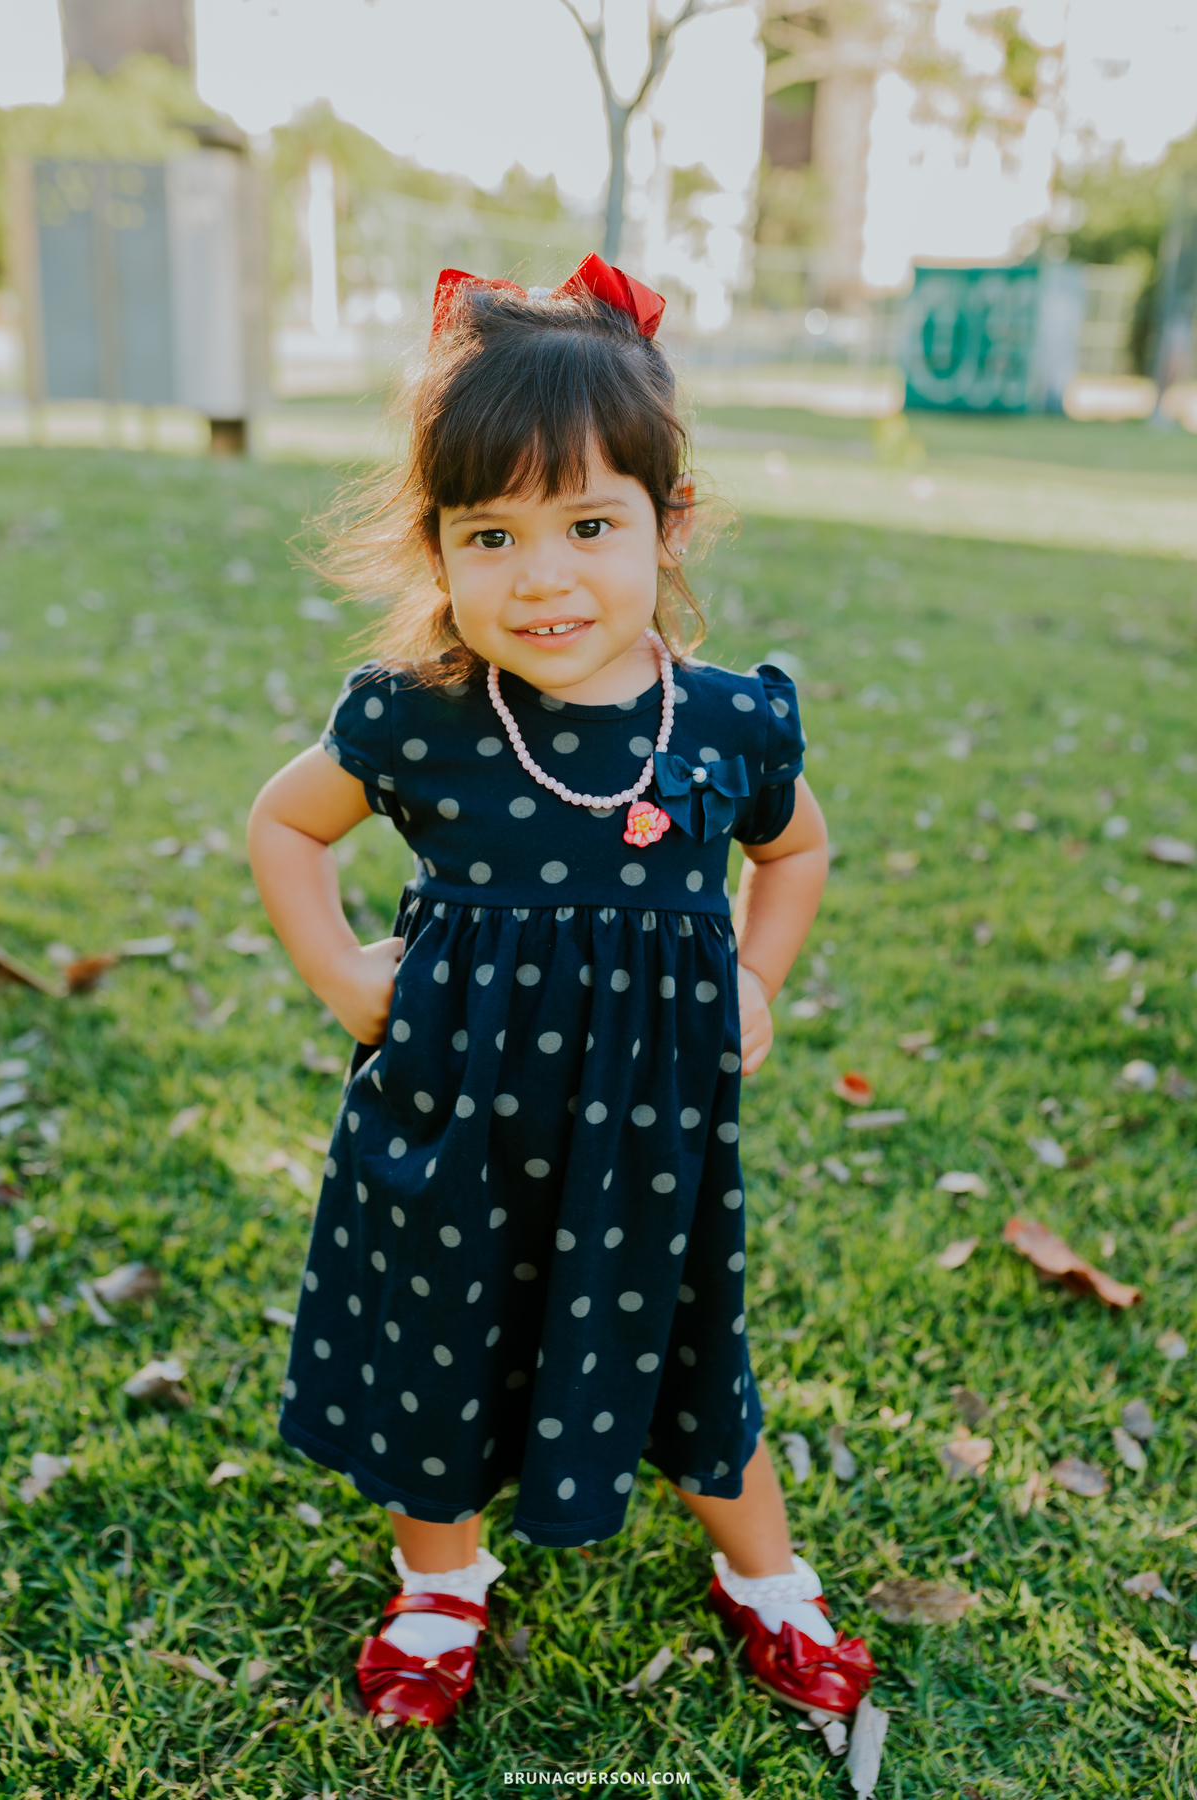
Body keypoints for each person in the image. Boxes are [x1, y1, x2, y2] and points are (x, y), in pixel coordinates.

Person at [247, 255, 875, 1728]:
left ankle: (770, 1583)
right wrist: (343, 971)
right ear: (439, 550)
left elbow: (798, 853)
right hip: (452, 1124)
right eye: (493, 534)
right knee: (440, 1349)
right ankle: (439, 1585)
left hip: (645, 1138)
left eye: (591, 524)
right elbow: (284, 824)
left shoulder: (723, 723)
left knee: (683, 1349)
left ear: (670, 522)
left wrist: (758, 978)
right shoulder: (422, 717)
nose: (543, 578)